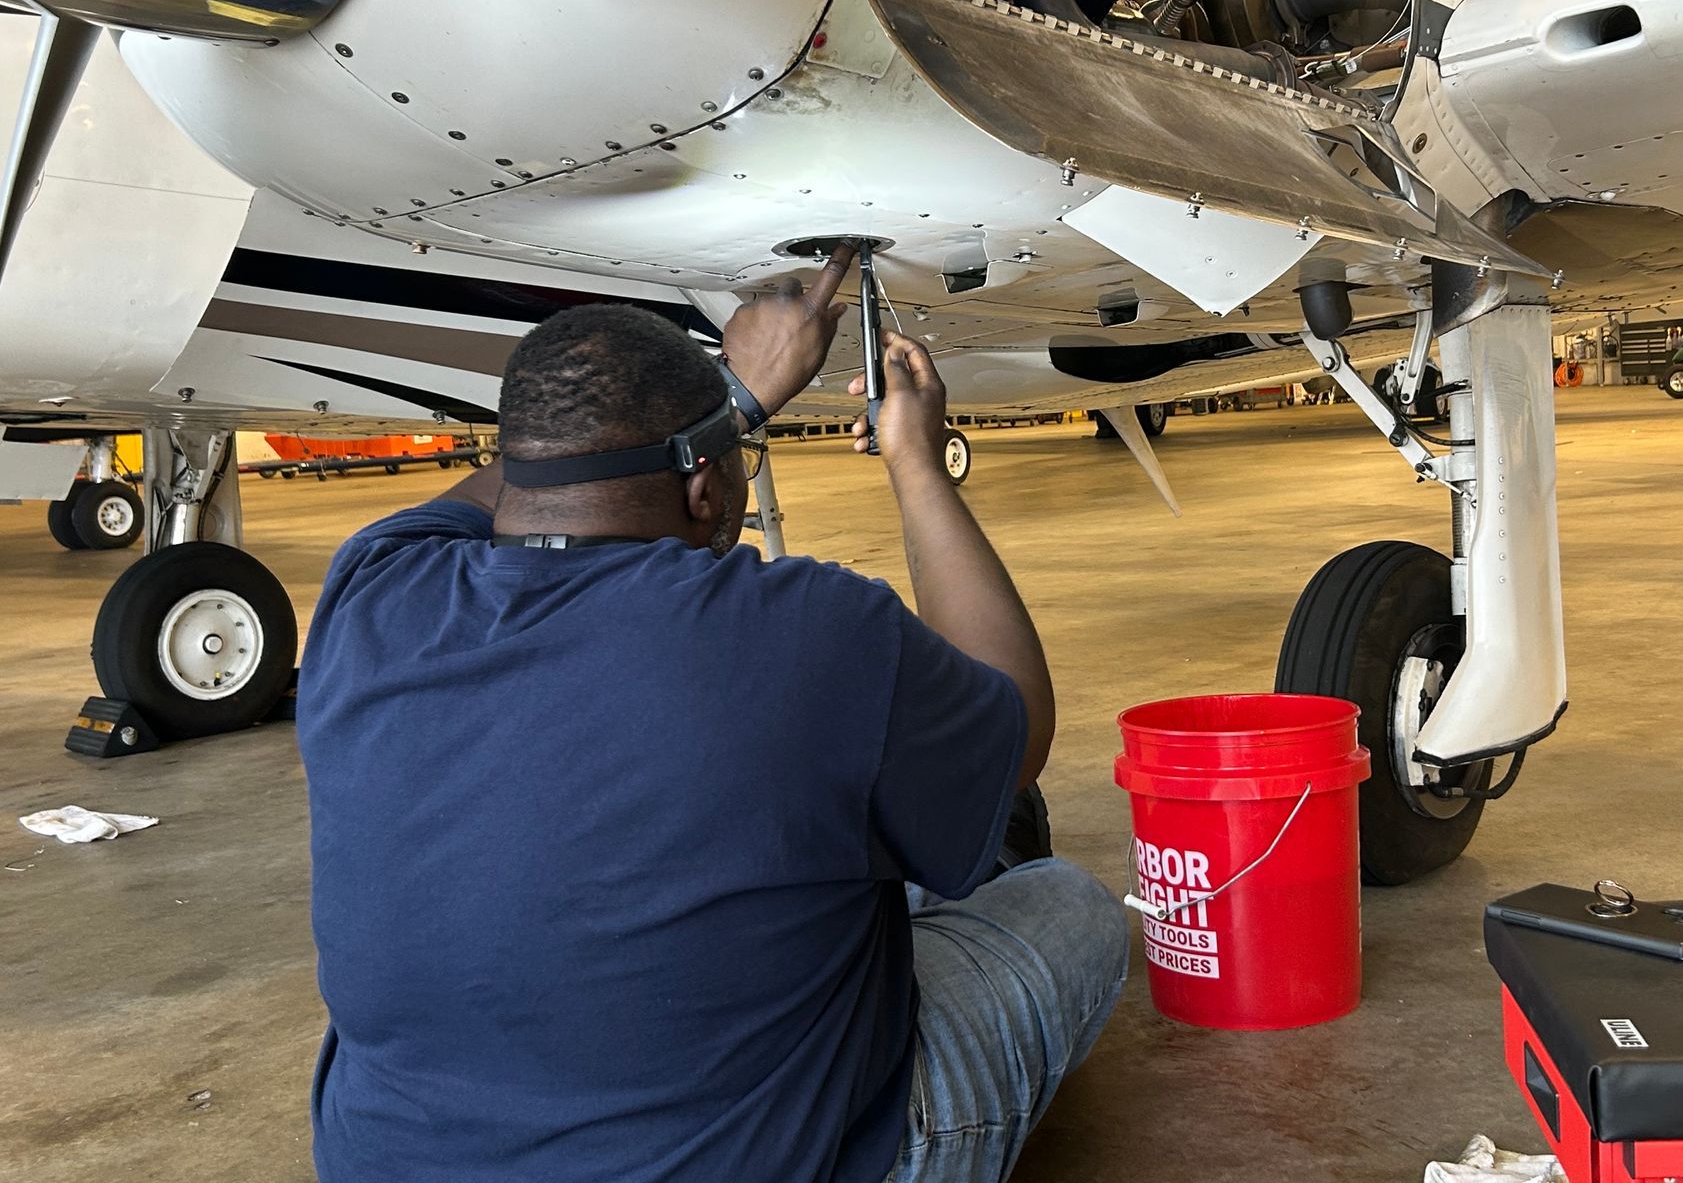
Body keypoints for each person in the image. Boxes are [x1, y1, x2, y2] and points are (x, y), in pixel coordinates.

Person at [297, 244, 1129, 1183]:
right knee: (1065, 905)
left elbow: (516, 482)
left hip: (392, 1164)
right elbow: (1015, 719)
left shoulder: (373, 590)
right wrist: (917, 465)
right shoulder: (806, 630)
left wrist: (731, 400)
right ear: (705, 487)